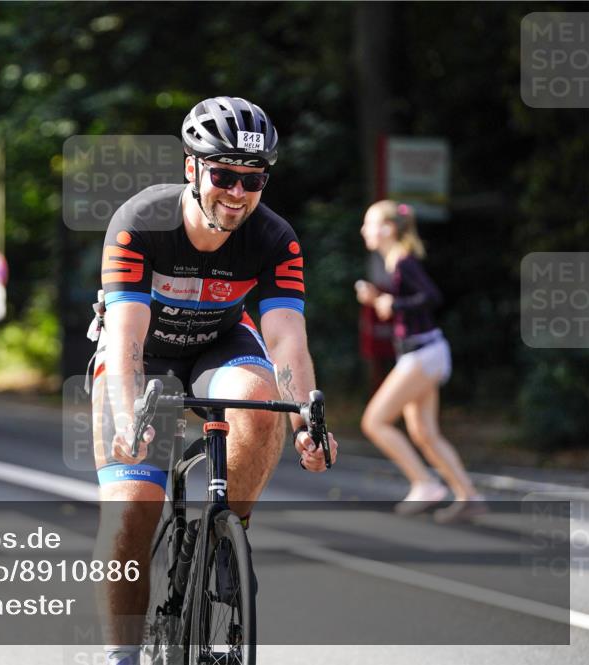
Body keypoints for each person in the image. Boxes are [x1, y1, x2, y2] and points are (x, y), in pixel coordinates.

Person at [89, 96, 338, 665]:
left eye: (252, 180)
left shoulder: (276, 238)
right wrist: (129, 418)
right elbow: (126, 337)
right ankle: (119, 655)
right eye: (223, 174)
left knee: (256, 395)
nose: (236, 192)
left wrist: (306, 422)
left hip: (218, 346)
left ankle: (231, 534)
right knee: (130, 506)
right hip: (144, 353)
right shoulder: (140, 222)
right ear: (191, 167)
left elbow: (285, 340)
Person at [355, 200, 486, 523]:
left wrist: (392, 302)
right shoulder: (396, 261)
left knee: (374, 421)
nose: (363, 230)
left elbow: (431, 296)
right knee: (425, 433)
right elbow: (414, 300)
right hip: (426, 352)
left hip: (422, 354)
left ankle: (425, 482)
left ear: (387, 229)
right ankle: (468, 496)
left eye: (369, 224)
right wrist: (382, 298)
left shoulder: (401, 261)